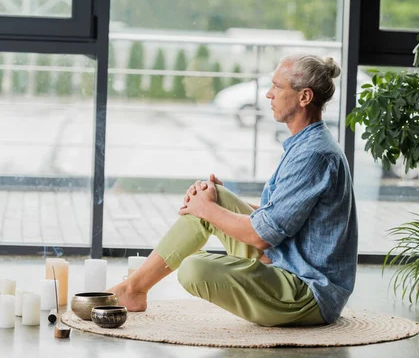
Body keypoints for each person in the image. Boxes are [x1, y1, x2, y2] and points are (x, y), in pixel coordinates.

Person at [108, 54, 358, 326]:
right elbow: (282, 219)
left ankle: (133, 287)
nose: (268, 94)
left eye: (277, 86)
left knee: (193, 267)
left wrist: (208, 209)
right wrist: (214, 203)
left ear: (304, 97)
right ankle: (134, 289)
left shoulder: (314, 154)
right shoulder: (306, 144)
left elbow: (262, 237)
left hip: (309, 292)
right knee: (214, 197)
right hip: (286, 263)